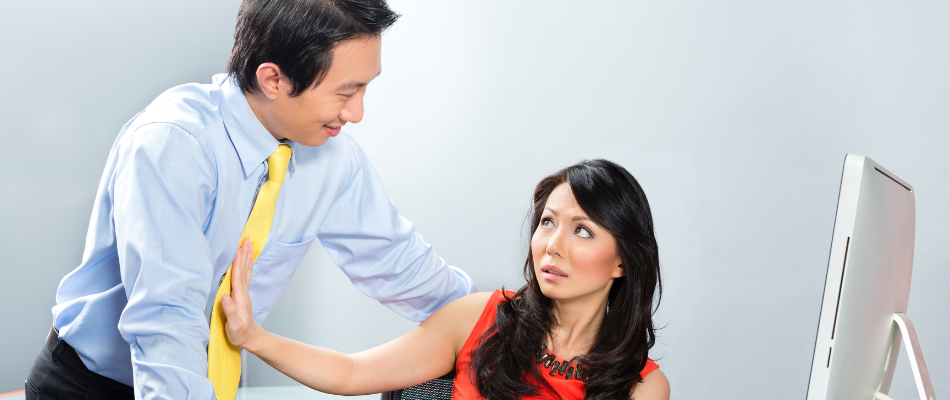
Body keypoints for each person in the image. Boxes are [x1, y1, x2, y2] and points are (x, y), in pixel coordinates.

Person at [24, 1, 475, 399]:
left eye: (365, 88)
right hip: (96, 386)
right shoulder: (173, 144)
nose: (357, 112)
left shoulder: (331, 156)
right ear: (273, 79)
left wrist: (502, 318)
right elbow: (166, 320)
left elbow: (399, 263)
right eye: (345, 91)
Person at [222, 159, 671, 399]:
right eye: (547, 222)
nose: (552, 245)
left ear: (622, 262)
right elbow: (351, 372)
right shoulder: (479, 316)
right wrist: (254, 338)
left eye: (582, 231)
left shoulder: (643, 386)